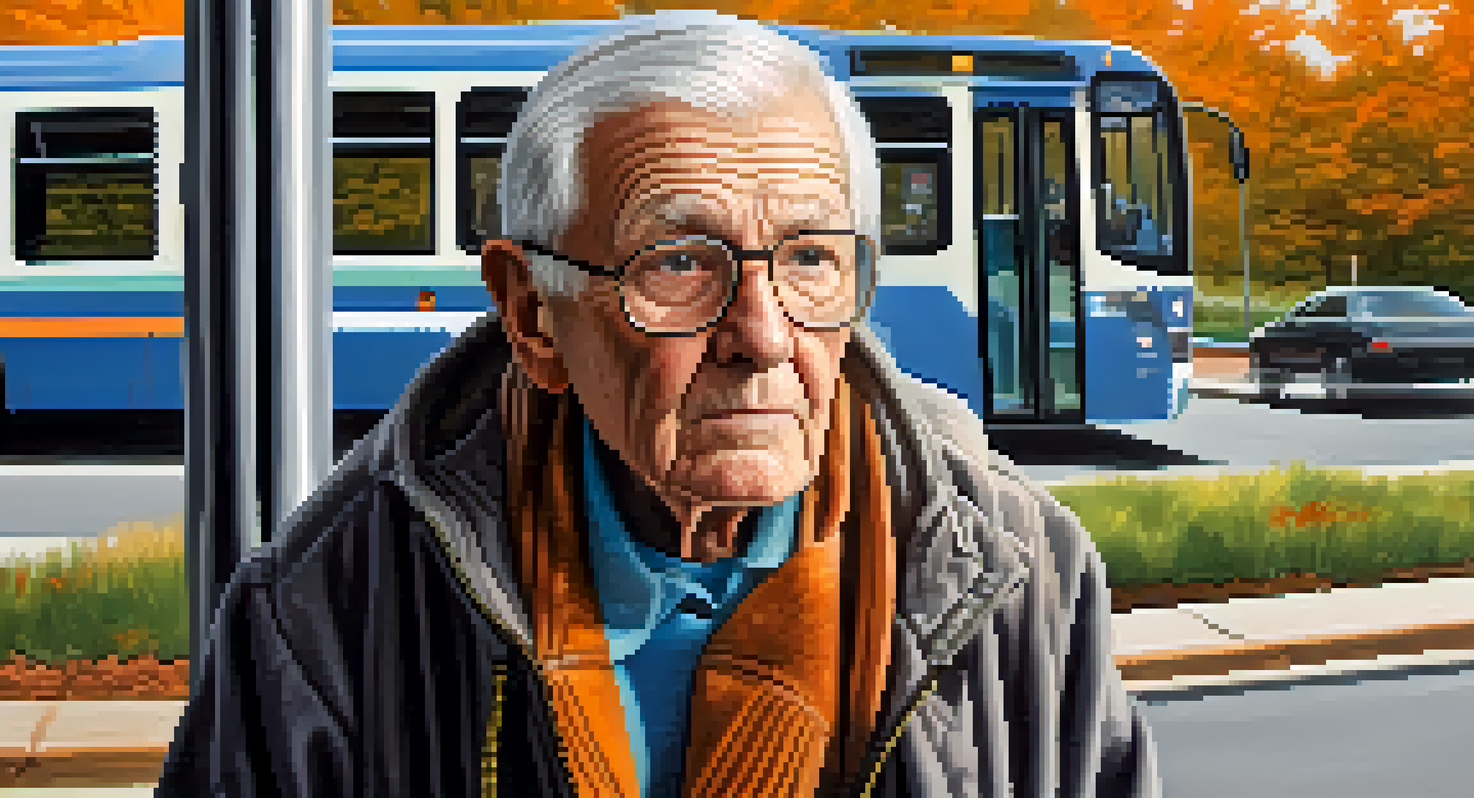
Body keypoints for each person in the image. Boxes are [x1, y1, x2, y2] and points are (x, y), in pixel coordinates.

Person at [156, 12, 1160, 798]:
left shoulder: (1024, 570)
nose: (763, 335)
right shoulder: (329, 600)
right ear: (532, 315)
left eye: (811, 257)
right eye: (678, 263)